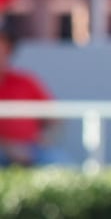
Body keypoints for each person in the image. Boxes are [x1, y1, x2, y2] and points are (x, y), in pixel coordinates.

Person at [0, 20, 69, 166]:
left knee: (60, 163)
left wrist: (43, 140)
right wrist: (6, 147)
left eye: (3, 46)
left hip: (31, 150)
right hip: (4, 152)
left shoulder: (26, 81)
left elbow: (55, 120)